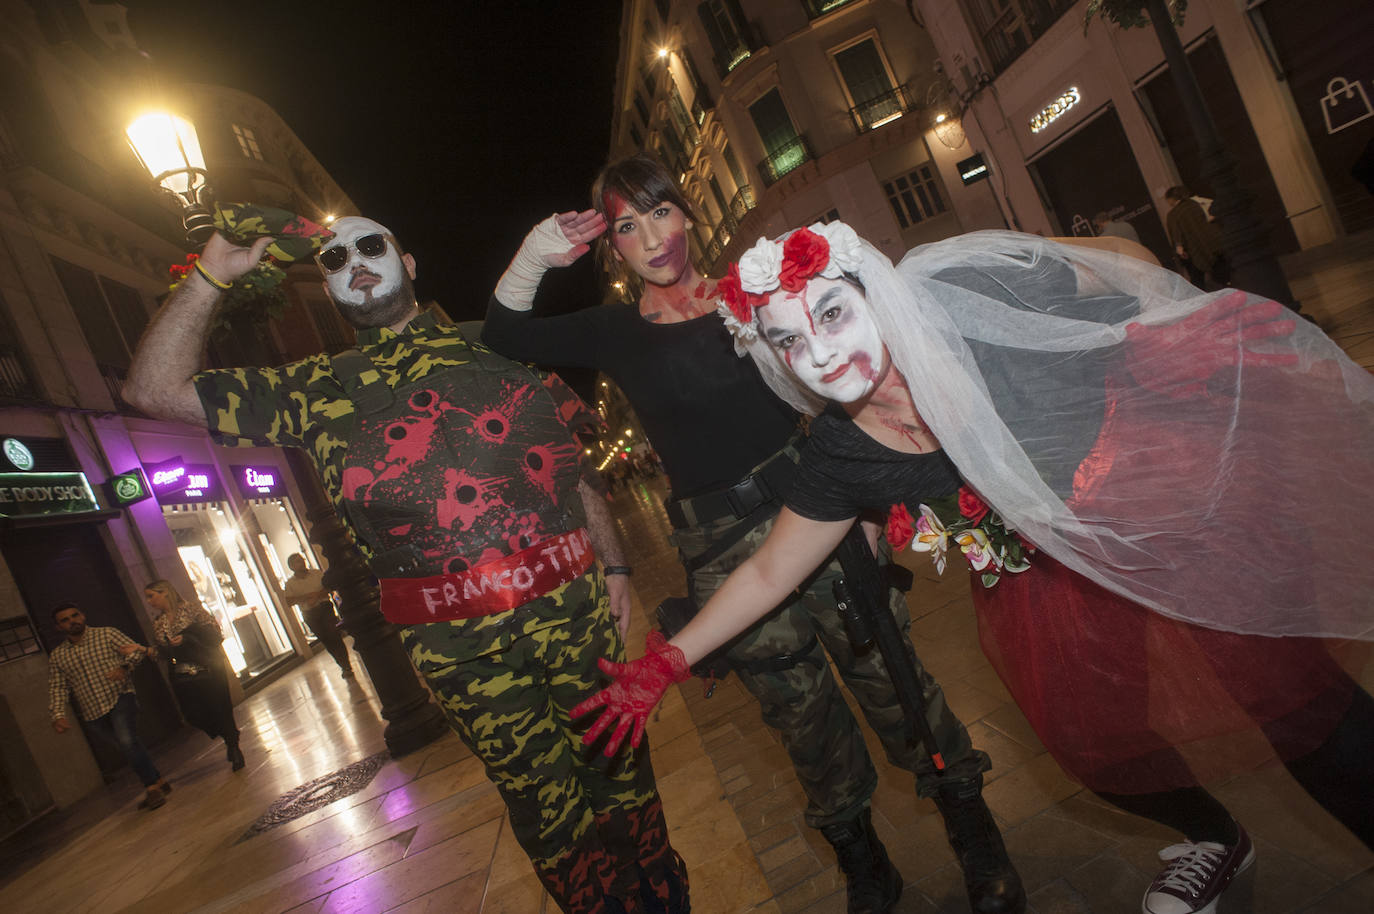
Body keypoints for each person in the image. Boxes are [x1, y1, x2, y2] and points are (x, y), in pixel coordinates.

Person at [574, 222, 1374, 914]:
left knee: (1292, 703)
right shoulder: (842, 452)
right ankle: (1214, 838)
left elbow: (1116, 253)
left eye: (831, 312)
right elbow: (767, 572)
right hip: (1055, 569)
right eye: (787, 339)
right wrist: (668, 662)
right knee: (1091, 740)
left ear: (874, 293)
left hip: (1160, 490)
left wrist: (1160, 313)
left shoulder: (961, 293)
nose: (818, 351)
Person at [484, 155, 1023, 914]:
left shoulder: (757, 295)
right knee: (800, 717)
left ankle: (976, 836)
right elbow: (504, 335)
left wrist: (871, 508)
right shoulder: (613, 333)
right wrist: (540, 253)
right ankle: (865, 864)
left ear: (688, 214)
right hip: (718, 547)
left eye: (661, 211)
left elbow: (844, 375)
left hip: (822, 506)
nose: (652, 237)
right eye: (629, 226)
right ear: (614, 250)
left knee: (894, 677)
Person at [124, 215, 687, 914]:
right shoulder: (314, 389)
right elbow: (150, 389)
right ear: (326, 285)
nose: (353, 261)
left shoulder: (498, 345)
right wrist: (213, 272)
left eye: (370, 246)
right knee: (543, 807)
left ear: (409, 263)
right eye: (334, 257)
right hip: (462, 653)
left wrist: (618, 567)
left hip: (574, 616)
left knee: (622, 771)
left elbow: (574, 473)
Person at [47, 603, 171, 809]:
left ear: (83, 615)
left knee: (127, 740)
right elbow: (58, 687)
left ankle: (151, 789)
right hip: (92, 711)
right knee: (128, 747)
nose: (72, 621)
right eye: (65, 620)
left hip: (120, 697)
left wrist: (124, 667)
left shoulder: (106, 634)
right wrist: (58, 715)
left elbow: (135, 652)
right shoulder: (58, 656)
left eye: (75, 615)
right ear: (59, 627)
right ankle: (158, 780)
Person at [143, 580, 244, 771]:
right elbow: (162, 652)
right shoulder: (159, 622)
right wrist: (146, 651)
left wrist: (187, 638)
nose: (149, 601)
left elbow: (215, 633)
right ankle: (228, 735)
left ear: (165, 592)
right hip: (182, 673)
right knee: (193, 714)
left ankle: (233, 745)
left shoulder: (192, 609)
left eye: (151, 596)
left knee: (219, 706)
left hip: (208, 666)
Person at [281, 553, 355, 680]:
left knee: (334, 635)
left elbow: (329, 587)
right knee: (326, 640)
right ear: (292, 567)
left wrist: (318, 595)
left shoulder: (317, 574)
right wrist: (307, 597)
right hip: (310, 614)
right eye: (298, 562)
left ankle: (346, 665)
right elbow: (289, 601)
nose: (302, 563)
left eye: (302, 560)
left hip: (325, 608)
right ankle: (342, 664)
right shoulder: (290, 584)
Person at [1163, 185, 1227, 288]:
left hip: (1191, 250)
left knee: (1197, 279)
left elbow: (1176, 234)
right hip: (1212, 244)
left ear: (1171, 199)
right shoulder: (1196, 204)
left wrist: (1180, 250)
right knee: (1221, 271)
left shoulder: (1173, 214)